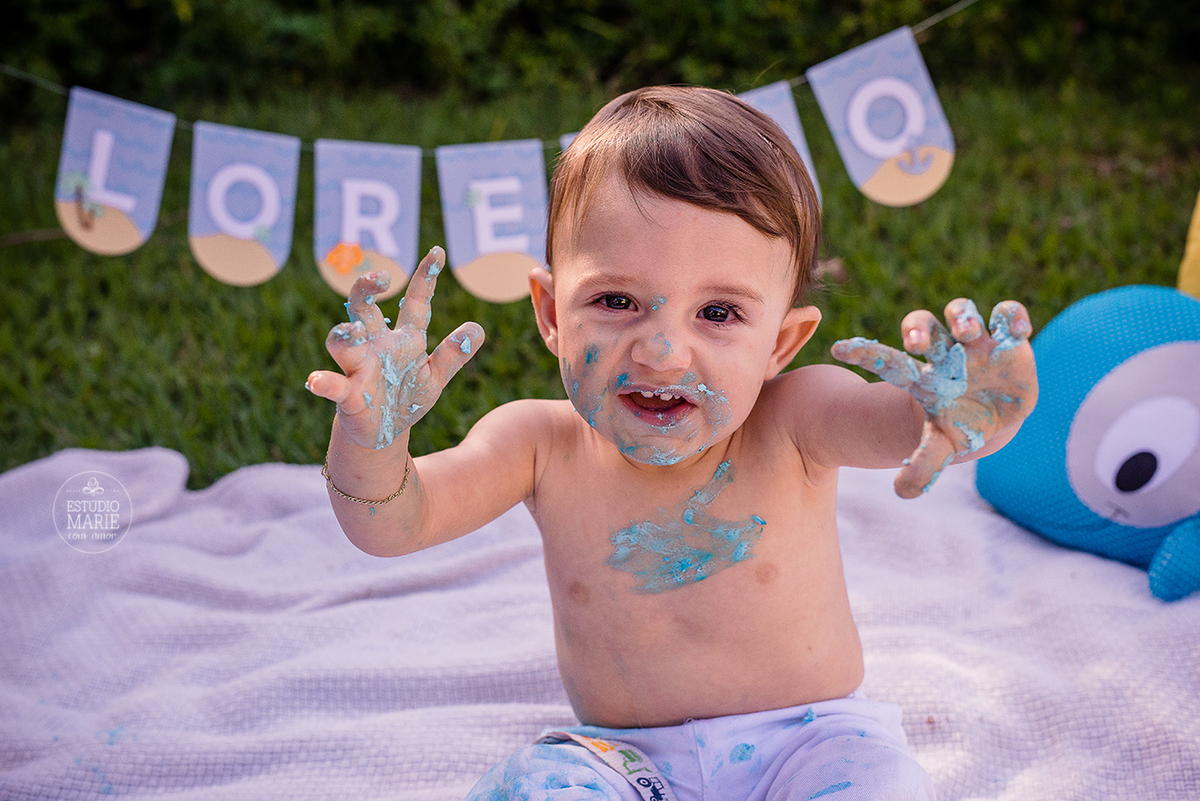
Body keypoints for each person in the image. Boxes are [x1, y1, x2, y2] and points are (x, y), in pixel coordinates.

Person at [305, 86, 1037, 800]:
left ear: (782, 341)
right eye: (616, 300)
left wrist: (964, 411)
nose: (661, 351)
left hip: (811, 746)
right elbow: (392, 524)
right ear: (553, 311)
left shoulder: (794, 418)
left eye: (717, 312)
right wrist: (372, 439)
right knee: (533, 785)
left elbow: (896, 424)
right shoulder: (537, 443)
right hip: (623, 760)